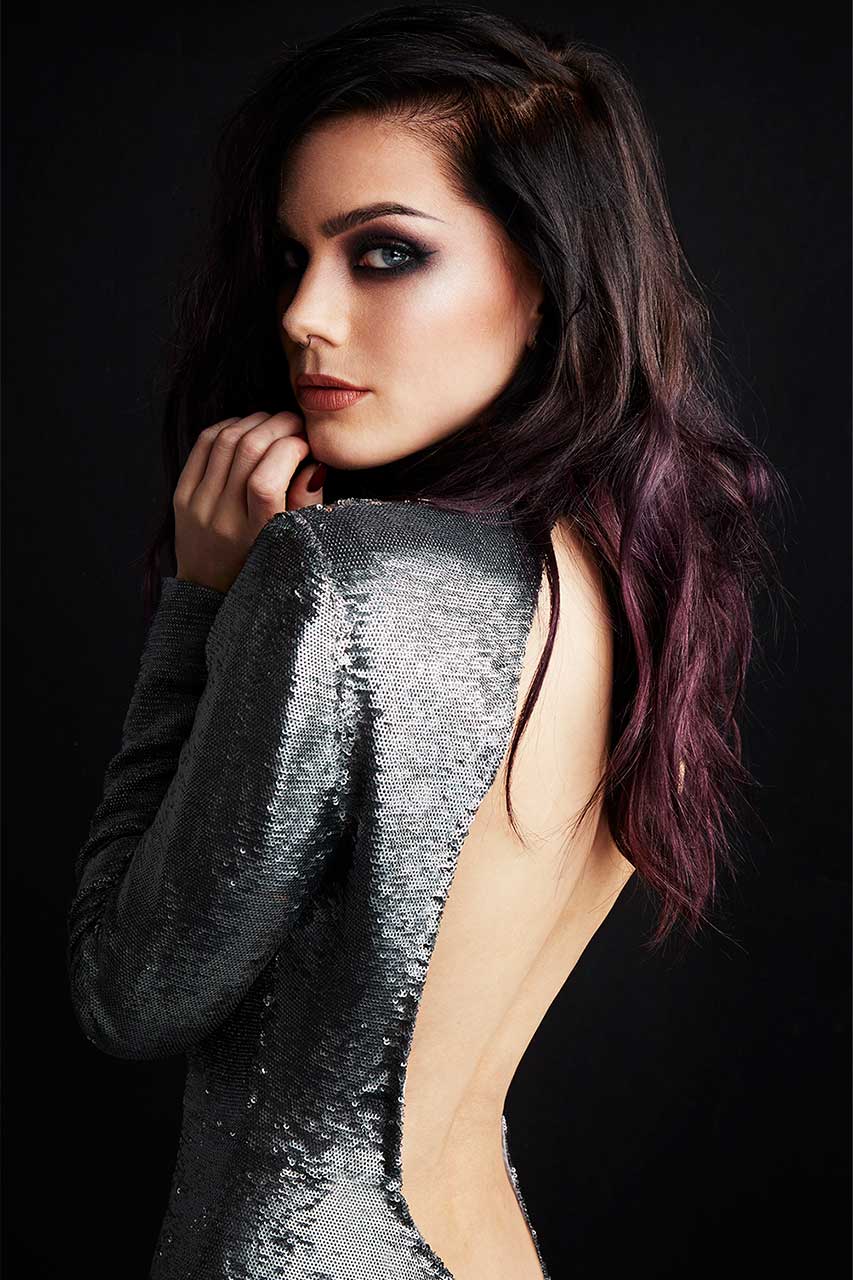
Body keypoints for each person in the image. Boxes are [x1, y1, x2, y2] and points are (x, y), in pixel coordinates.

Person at [65, 6, 785, 1278]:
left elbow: (130, 988)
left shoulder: (338, 582)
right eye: (294, 257)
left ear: (547, 275)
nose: (304, 314)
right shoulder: (642, 590)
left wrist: (196, 608)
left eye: (385, 253)